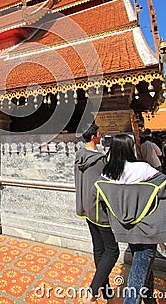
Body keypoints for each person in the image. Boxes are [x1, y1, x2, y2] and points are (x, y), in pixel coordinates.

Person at [94, 134, 166, 304]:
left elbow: (101, 199)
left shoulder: (108, 174)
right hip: (148, 228)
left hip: (126, 229)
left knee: (143, 264)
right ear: (131, 148)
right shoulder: (143, 169)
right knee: (139, 270)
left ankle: (149, 300)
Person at [75, 124, 119, 303]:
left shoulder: (79, 156)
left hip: (86, 207)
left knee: (99, 248)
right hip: (100, 210)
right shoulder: (100, 159)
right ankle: (93, 291)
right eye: (99, 134)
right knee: (112, 250)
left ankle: (106, 290)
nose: (100, 136)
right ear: (93, 137)